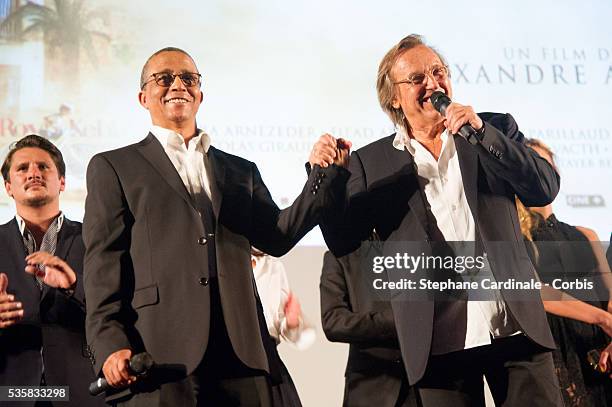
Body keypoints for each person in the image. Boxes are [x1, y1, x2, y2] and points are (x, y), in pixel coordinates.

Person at [82, 47, 347, 406]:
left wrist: (322, 175)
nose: (178, 85)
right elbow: (102, 267)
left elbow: (279, 235)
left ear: (200, 94)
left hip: (243, 353)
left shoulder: (240, 169)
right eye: (164, 78)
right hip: (162, 356)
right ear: (143, 97)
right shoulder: (114, 166)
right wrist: (110, 345)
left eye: (188, 78)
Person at [311, 34, 563, 406]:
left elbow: (543, 187)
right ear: (394, 97)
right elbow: (343, 239)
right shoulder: (372, 162)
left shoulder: (492, 128)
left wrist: (481, 133)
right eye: (416, 78)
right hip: (438, 343)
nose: (432, 83)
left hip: (514, 329)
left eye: (438, 71)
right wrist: (327, 180)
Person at [0, 134, 103, 407]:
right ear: (8, 187)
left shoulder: (96, 240)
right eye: (22, 168)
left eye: (43, 166)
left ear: (62, 182)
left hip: (84, 391)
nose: (33, 173)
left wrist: (73, 285)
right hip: (9, 392)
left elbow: (120, 307)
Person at [517, 138, 612, 406]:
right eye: (530, 166)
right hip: (554, 354)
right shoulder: (514, 238)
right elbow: (538, 293)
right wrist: (602, 318)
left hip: (597, 352)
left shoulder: (585, 235)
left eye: (544, 165)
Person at [320, 236, 418, 407]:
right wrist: (390, 321)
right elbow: (333, 321)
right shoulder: (340, 254)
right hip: (370, 387)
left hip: (427, 385)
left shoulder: (419, 249)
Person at [251, 249, 315, 407]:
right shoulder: (220, 262)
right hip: (228, 360)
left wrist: (292, 321)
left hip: (267, 360)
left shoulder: (272, 266)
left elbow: (284, 325)